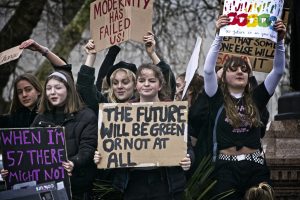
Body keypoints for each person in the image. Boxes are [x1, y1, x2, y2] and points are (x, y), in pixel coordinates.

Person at [202, 15, 286, 199]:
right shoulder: (216, 98)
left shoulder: (256, 98)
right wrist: (219, 36)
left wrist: (280, 42)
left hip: (255, 167)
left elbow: (278, 70)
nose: (240, 71)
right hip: (225, 169)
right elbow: (208, 71)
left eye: (244, 69)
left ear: (249, 76)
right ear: (224, 76)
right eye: (233, 68)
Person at [95, 63, 193, 200]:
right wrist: (102, 156)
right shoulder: (122, 113)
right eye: (141, 81)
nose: (146, 84)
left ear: (160, 85)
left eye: (152, 81)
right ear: (136, 85)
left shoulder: (173, 111)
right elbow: (113, 146)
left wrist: (188, 160)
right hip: (132, 183)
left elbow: (187, 147)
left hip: (164, 181)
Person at [30, 71, 98, 200]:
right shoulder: (40, 118)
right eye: (49, 88)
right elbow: (28, 150)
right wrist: (13, 171)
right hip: (46, 187)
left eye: (58, 87)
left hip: (77, 189)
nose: (52, 92)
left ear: (69, 90)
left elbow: (88, 148)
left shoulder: (87, 115)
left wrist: (73, 163)